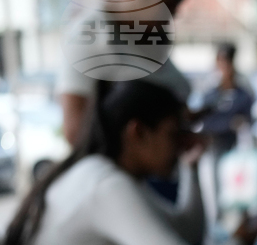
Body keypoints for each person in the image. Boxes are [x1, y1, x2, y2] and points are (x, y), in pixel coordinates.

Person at [5, 80, 257, 245]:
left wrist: (190, 168)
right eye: (174, 134)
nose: (182, 143)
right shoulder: (107, 187)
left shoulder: (104, 174)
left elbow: (187, 232)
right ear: (137, 132)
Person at [57, 0, 192, 147]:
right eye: (169, 5)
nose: (174, 14)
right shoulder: (89, 35)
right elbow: (75, 132)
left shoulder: (150, 33)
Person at [199, 43, 255, 157]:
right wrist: (229, 124)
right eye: (220, 62)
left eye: (226, 62)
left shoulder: (242, 94)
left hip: (236, 149)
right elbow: (205, 120)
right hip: (214, 145)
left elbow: (248, 120)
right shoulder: (210, 93)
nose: (224, 67)